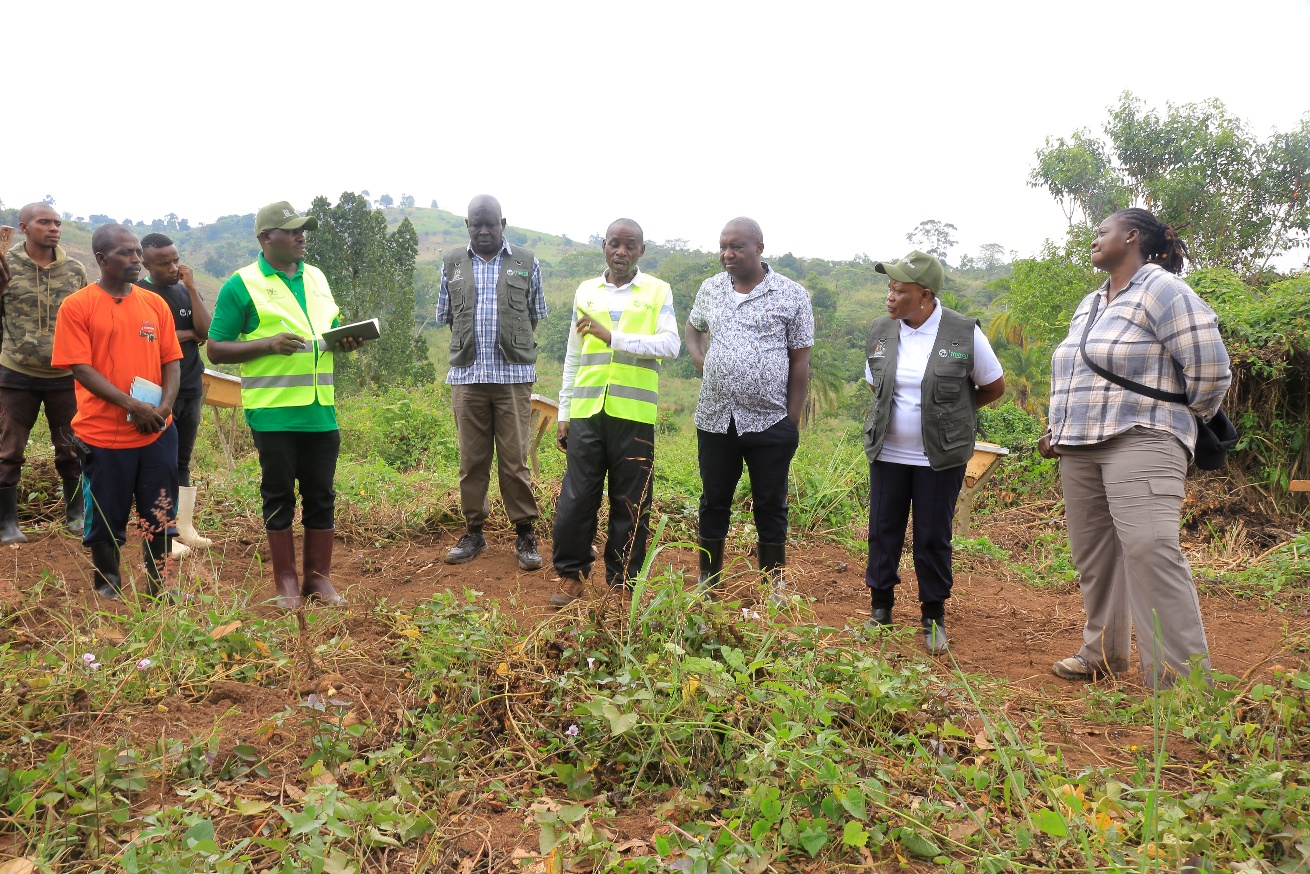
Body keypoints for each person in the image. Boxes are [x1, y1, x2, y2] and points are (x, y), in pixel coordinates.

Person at [1041, 208, 1231, 688]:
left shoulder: (1161, 289)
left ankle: (1180, 679)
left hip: (1143, 438)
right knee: (1095, 555)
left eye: (1102, 231)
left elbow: (1210, 366)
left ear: (1131, 236)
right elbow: (1074, 368)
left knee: (1149, 548)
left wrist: (1181, 421)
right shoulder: (1091, 302)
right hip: (1080, 445)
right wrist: (1058, 427)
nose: (1094, 238)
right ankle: (1101, 653)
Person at [206, 201, 363, 610]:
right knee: (278, 495)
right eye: (291, 231)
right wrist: (266, 344)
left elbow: (324, 333)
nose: (300, 237)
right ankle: (286, 581)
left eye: (302, 230)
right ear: (265, 238)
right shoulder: (241, 284)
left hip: (320, 408)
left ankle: (318, 578)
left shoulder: (316, 277)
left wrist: (345, 339)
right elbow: (216, 349)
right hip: (273, 410)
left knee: (321, 494)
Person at [862, 250, 1005, 653]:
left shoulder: (963, 333)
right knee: (883, 531)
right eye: (889, 288)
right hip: (888, 452)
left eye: (899, 290)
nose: (890, 296)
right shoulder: (880, 331)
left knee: (932, 536)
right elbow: (877, 385)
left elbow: (993, 386)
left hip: (939, 457)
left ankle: (932, 616)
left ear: (924, 296)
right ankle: (881, 608)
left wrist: (951, 415)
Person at [549, 219, 679, 607]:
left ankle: (623, 582)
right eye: (614, 244)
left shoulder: (657, 291)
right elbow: (574, 355)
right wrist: (564, 410)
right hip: (587, 412)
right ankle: (571, 574)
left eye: (630, 245)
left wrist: (613, 337)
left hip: (633, 415)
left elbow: (670, 345)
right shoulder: (586, 292)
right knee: (576, 498)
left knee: (631, 501)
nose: (621, 251)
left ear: (641, 250)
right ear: (604, 246)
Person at [50, 224, 182, 599]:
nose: (136, 260)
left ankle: (161, 587)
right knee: (105, 515)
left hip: (157, 430)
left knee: (159, 512)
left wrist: (163, 408)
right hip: (104, 435)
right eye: (126, 253)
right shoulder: (77, 307)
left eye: (137, 252)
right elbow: (81, 368)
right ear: (101, 259)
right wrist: (131, 405)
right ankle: (108, 587)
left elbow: (171, 359)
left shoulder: (155, 304)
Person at [685, 217, 812, 592]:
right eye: (723, 246)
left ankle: (773, 584)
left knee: (770, 504)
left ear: (759, 248)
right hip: (715, 418)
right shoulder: (710, 289)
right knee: (713, 500)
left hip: (770, 421)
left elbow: (800, 361)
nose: (728, 253)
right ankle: (709, 578)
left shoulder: (792, 295)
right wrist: (699, 358)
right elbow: (693, 328)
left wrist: (791, 422)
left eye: (737, 246)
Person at [435, 195, 547, 571]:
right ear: (467, 225)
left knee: (515, 461)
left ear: (503, 223)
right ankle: (474, 532)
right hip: (467, 377)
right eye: (475, 224)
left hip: (513, 378)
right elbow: (449, 316)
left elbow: (533, 317)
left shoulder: (526, 262)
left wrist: (507, 346)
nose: (483, 231)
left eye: (489, 224)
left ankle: (525, 534)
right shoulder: (452, 263)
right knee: (472, 461)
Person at [0, 203, 88, 543]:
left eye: (57, 223)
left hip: (65, 375)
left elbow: (85, 320)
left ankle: (76, 515)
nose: (53, 228)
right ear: (24, 227)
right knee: (9, 448)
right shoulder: (6, 263)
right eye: (44, 222)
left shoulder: (75, 270)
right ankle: (7, 524)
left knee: (71, 447)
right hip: (15, 372)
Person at [139, 233, 213, 557]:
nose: (173, 267)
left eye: (175, 259)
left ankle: (184, 528)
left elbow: (207, 332)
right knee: (159, 464)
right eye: (163, 263)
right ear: (145, 264)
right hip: (158, 392)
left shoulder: (184, 291)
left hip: (191, 386)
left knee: (182, 460)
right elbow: (150, 340)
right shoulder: (140, 294)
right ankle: (163, 537)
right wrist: (186, 334)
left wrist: (193, 288)